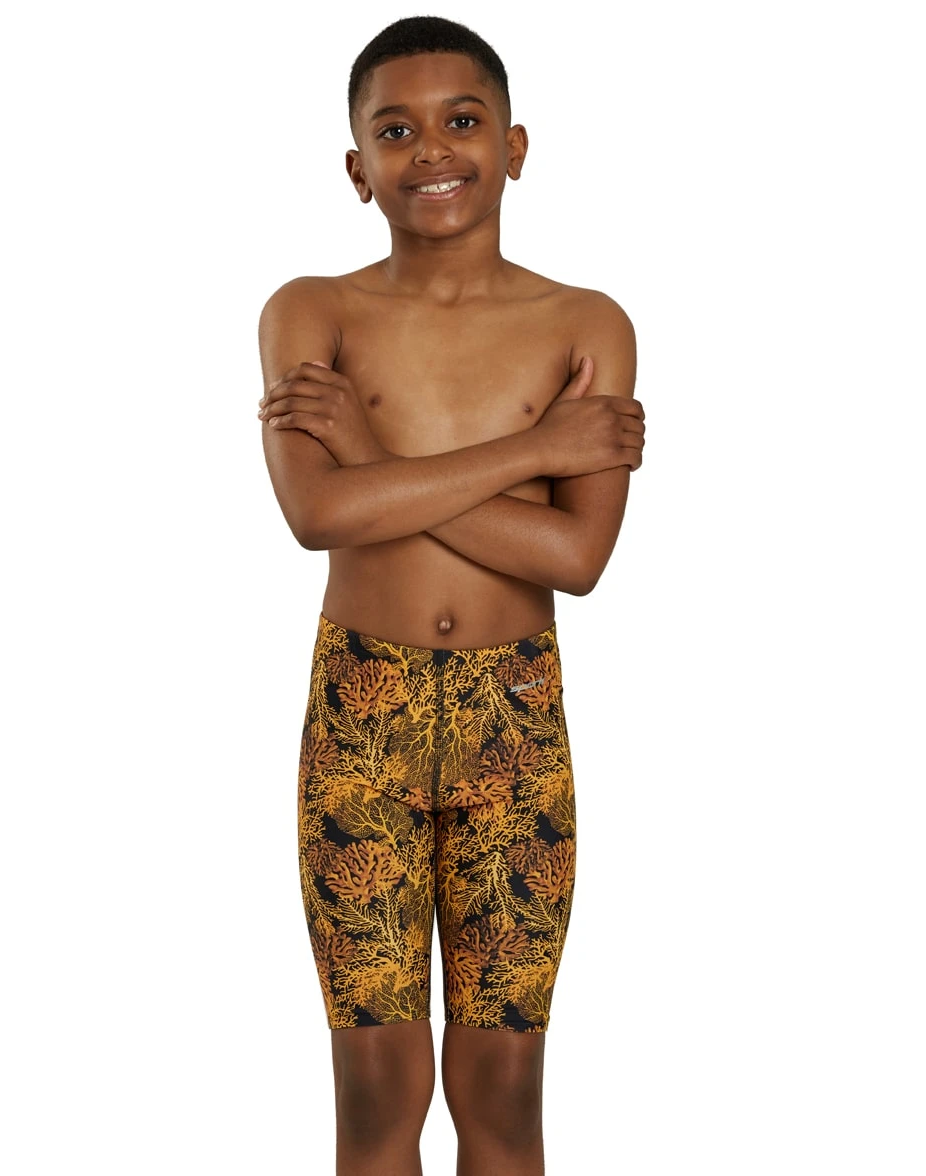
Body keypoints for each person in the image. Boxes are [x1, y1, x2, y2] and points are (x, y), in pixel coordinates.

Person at [257, 15, 645, 1175]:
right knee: (378, 1084)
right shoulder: (311, 311)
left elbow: (576, 557)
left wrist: (372, 460)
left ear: (514, 147)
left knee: (505, 1089)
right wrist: (531, 452)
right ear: (356, 168)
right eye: (395, 130)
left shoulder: (584, 325)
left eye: (462, 121)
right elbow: (317, 514)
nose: (431, 149)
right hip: (361, 714)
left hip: (511, 719)